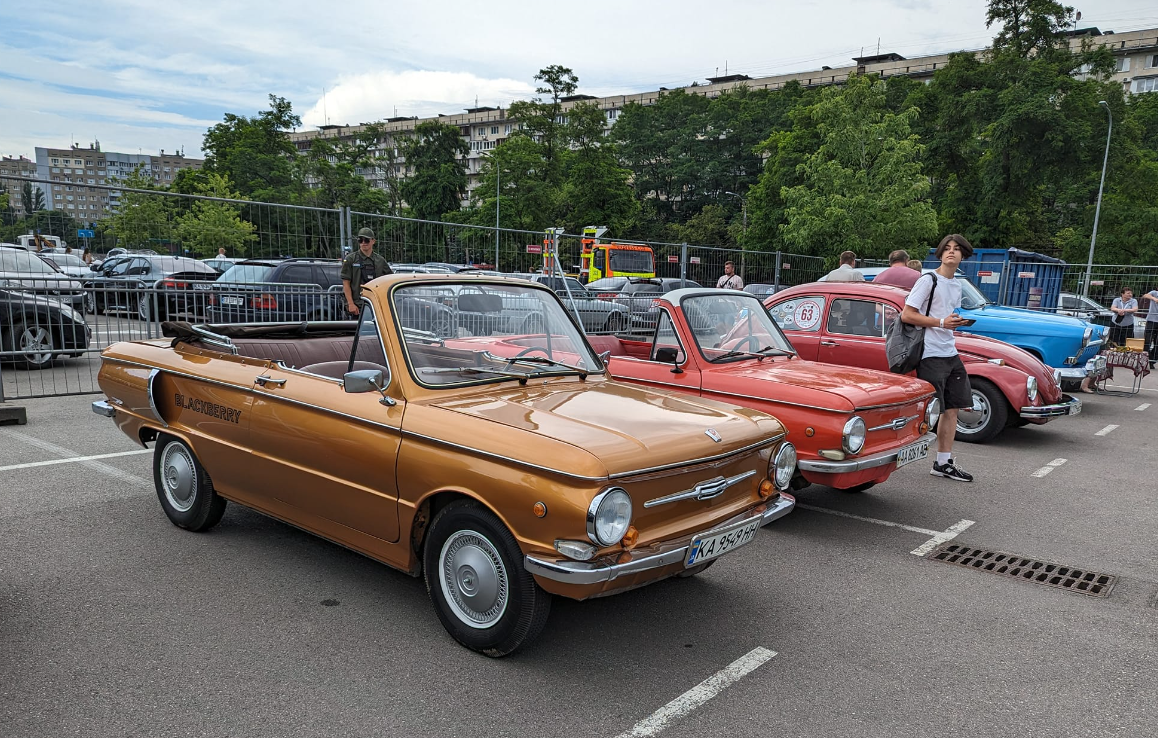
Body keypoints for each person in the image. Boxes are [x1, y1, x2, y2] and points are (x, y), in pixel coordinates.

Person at [901, 234, 975, 483]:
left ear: (963, 255)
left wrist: (953, 323)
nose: (951, 252)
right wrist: (941, 322)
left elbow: (945, 316)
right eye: (947, 249)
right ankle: (899, 455)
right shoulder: (928, 280)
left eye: (956, 249)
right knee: (931, 411)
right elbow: (907, 315)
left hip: (949, 352)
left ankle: (943, 463)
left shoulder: (956, 284)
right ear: (941, 254)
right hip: (930, 353)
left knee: (952, 409)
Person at [341, 227, 392, 317]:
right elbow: (346, 284)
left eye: (366, 240)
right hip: (357, 306)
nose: (363, 243)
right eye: (360, 240)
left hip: (375, 305)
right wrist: (351, 304)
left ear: (373, 241)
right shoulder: (351, 259)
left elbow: (390, 279)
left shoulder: (380, 260)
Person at [1140, 287, 1158, 368]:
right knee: (1147, 341)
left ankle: (1152, 360)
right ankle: (1145, 360)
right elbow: (1145, 295)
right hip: (1151, 320)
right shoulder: (1154, 293)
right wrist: (1154, 298)